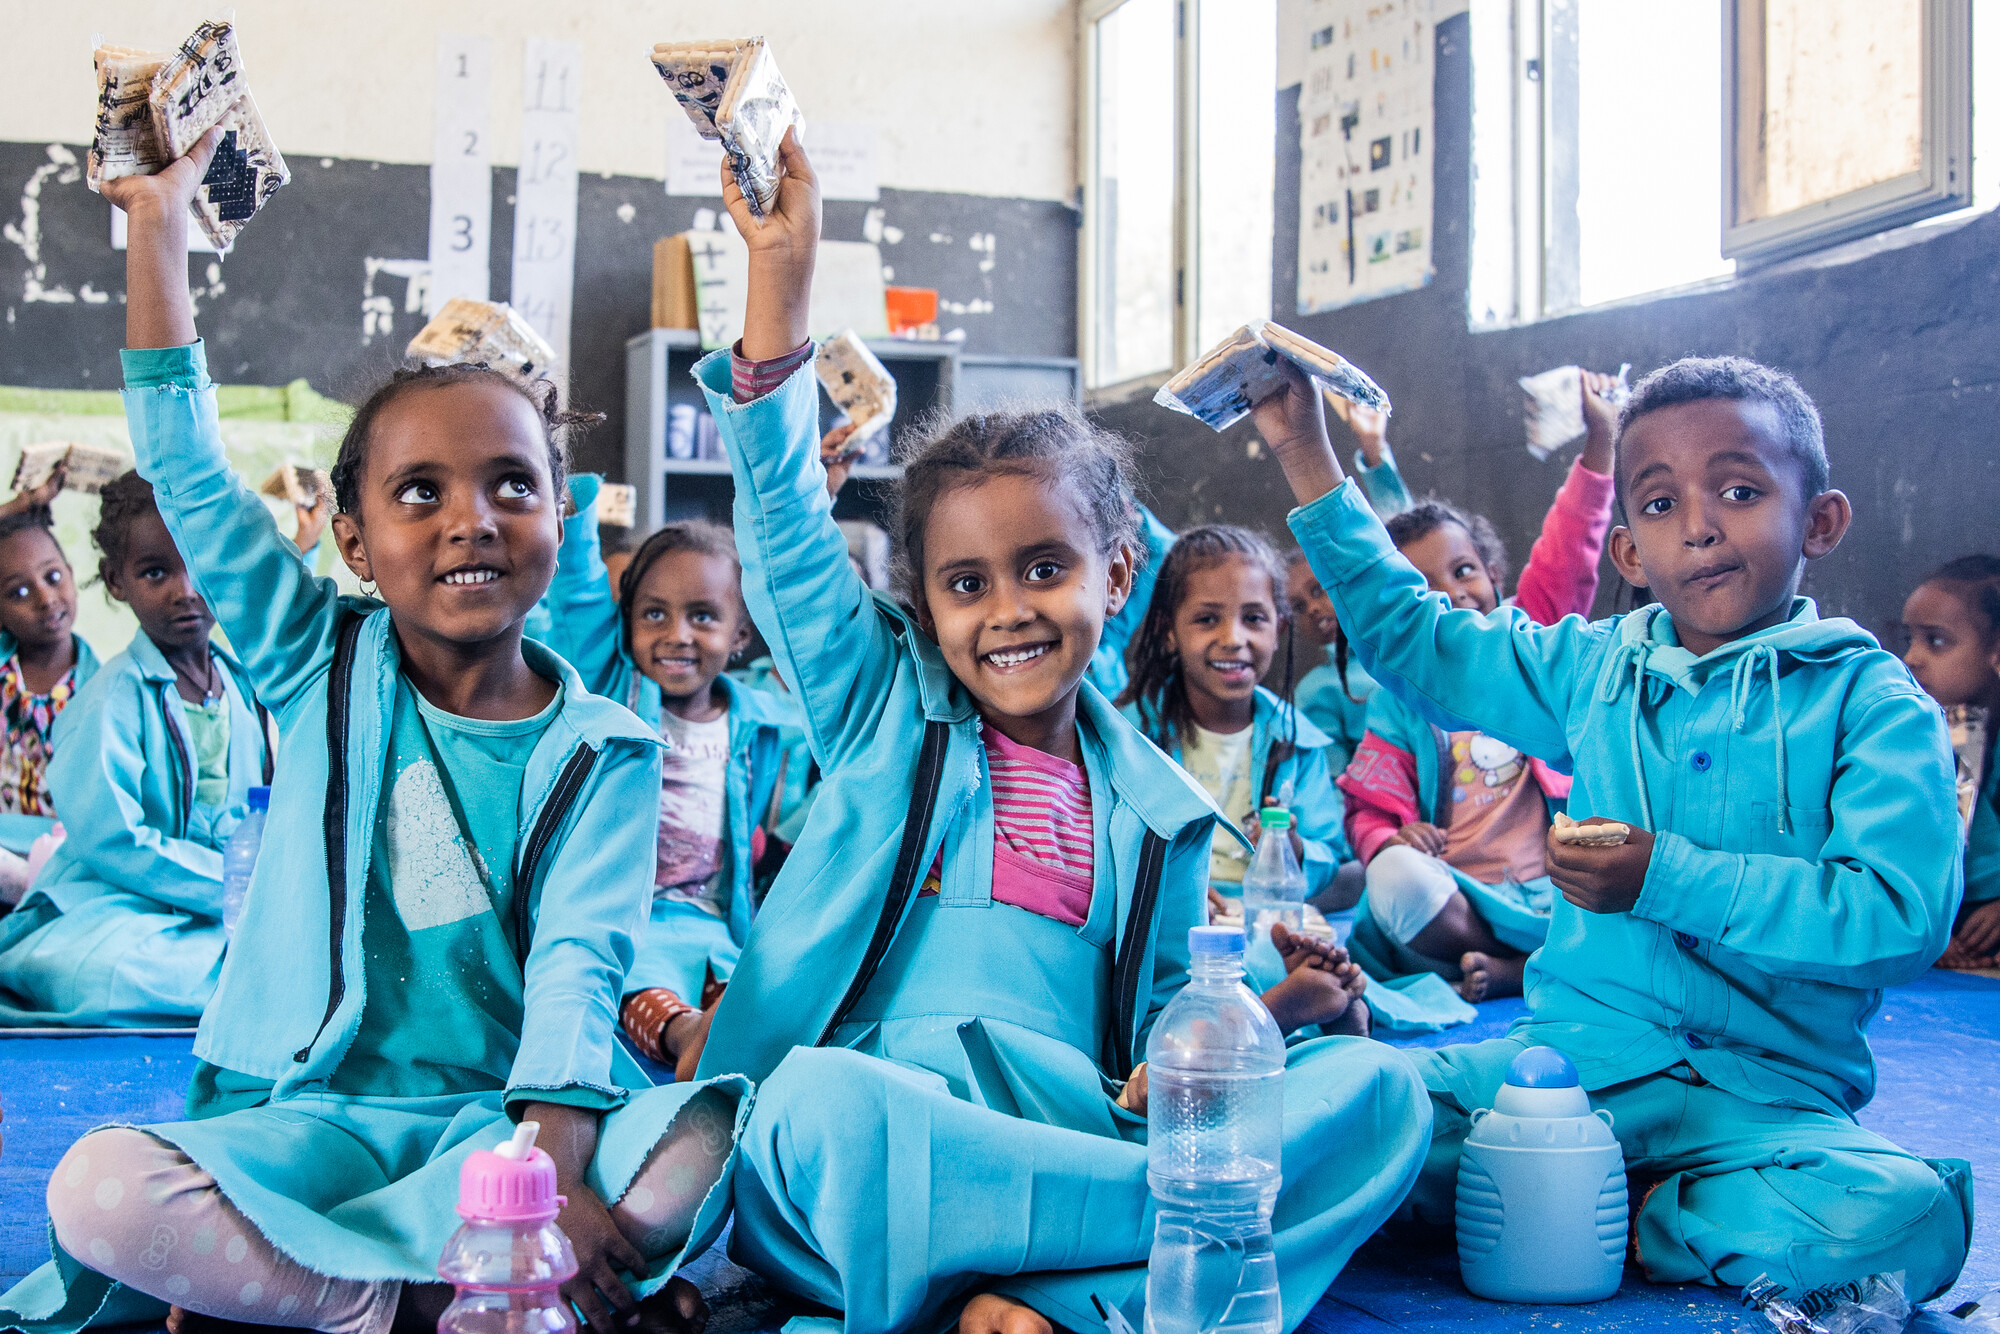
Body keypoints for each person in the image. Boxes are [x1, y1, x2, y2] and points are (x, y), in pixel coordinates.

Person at [681, 129, 1430, 1334]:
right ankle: (1103, 1284)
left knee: (1381, 1092)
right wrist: (780, 278)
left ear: (1116, 572)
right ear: (922, 604)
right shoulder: (884, 707)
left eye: (1043, 567)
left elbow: (1151, 1051)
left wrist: (1272, 1011)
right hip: (894, 1121)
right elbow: (780, 527)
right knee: (816, 1110)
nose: (1007, 611)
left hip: (1067, 1123)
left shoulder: (1160, 812)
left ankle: (1013, 1291)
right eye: (963, 584)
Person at [2, 127, 740, 1334]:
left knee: (705, 1139)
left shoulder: (606, 748)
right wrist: (156, 226)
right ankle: (398, 1297)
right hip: (318, 1117)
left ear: (561, 517)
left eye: (511, 484)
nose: (471, 519)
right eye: (419, 492)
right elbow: (188, 473)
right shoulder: (321, 662)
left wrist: (547, 1170)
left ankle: (374, 1273)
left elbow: (578, 964)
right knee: (98, 1188)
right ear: (352, 541)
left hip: (503, 1127)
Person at [1264, 351, 1971, 1300]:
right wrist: (1303, 448)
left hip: (1766, 1108)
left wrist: (1663, 877)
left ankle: (1649, 1215)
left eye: (1740, 491)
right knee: (1324, 1114)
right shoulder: (1594, 669)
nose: (1702, 526)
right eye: (1662, 504)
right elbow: (1416, 639)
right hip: (1561, 1079)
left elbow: (1899, 918)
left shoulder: (1873, 702)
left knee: (1912, 1218)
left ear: (1822, 520)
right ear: (1631, 553)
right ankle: (1573, 1193)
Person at [1338, 372, 1620, 1002]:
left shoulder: (1528, 649)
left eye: (1464, 571)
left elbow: (1570, 551)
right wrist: (1390, 839)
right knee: (1392, 879)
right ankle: (1514, 963)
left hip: (1558, 894)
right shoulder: (1400, 699)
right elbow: (1368, 808)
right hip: (1460, 898)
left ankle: (1521, 967)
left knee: (1629, 861)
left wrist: (1600, 441)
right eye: (1424, 588)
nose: (1452, 594)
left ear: (1494, 574)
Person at [537, 473, 798, 1074]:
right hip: (626, 919)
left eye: (703, 617)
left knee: (753, 992)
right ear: (626, 625)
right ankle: (685, 1037)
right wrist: (575, 514)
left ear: (740, 634)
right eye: (654, 614)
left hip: (717, 926)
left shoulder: (760, 722)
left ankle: (728, 1038)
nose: (677, 635)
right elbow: (577, 600)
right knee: (636, 987)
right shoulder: (615, 691)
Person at [0, 471, 271, 1026]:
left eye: (197, 564)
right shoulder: (108, 699)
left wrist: (263, 885)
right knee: (114, 973)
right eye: (155, 572)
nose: (185, 590)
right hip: (124, 904)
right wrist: (229, 887)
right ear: (116, 581)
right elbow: (115, 842)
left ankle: (239, 972)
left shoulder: (249, 690)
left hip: (232, 901)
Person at [1115, 523, 1369, 1037]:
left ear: (1279, 627)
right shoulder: (1130, 734)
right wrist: (1174, 886)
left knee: (1300, 946)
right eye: (1207, 619)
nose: (1234, 639)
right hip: (1172, 916)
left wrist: (1296, 850)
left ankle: (1295, 1003)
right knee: (1163, 962)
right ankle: (1292, 1009)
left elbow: (1338, 864)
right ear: (1168, 629)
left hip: (1266, 918)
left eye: (1254, 618)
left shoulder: (1299, 742)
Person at [1901, 554, 2000, 969]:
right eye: (1909, 639)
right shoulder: (1919, 736)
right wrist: (1929, 929)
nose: (1911, 658)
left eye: (1936, 641)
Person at [0, 469, 98, 858]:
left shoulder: (105, 686)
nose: (46, 599)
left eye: (53, 577)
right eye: (19, 592)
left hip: (67, 854)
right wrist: (19, 506)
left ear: (71, 576)